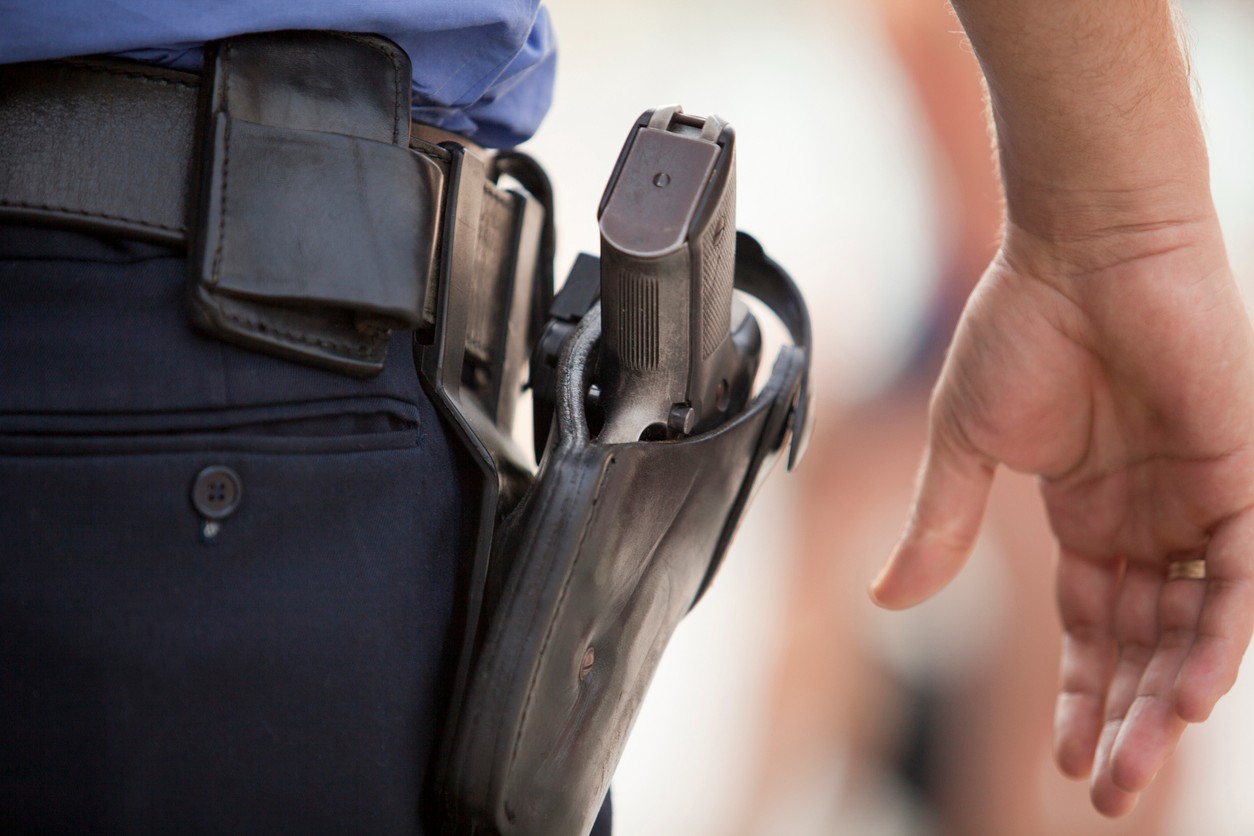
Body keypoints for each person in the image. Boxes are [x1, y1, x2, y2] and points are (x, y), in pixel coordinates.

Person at [870, 0, 1254, 820]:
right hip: (1016, 310)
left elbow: (978, 202)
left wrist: (1119, 237)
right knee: (1109, 659)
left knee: (1099, 661)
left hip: (1038, 313)